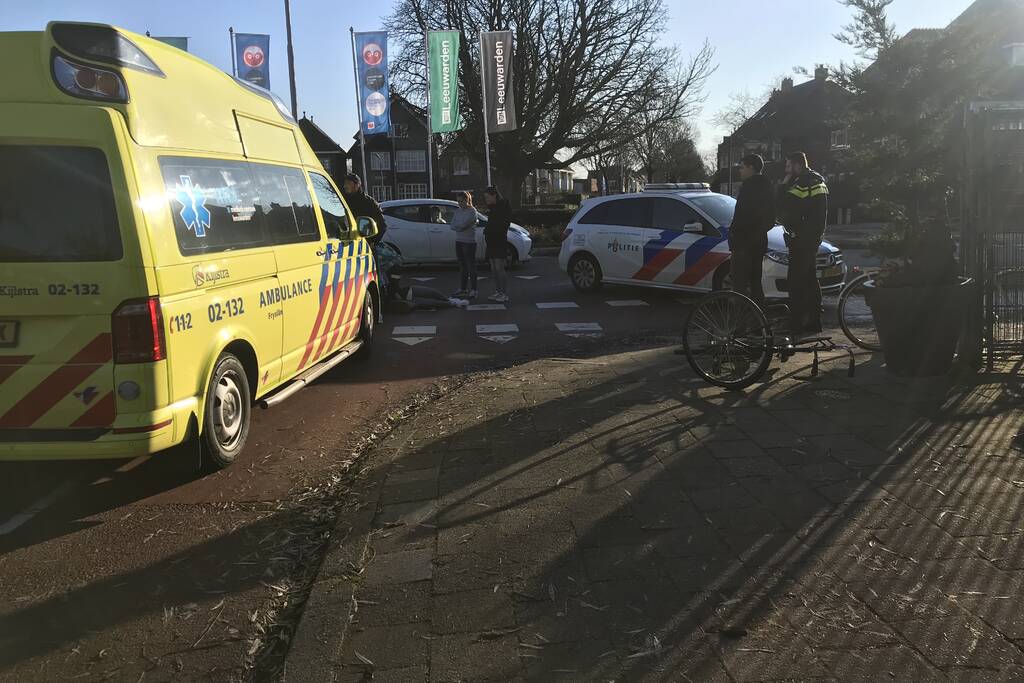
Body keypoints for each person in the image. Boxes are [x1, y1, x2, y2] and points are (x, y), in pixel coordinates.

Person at [777, 152, 829, 334]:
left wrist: (784, 184)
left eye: (788, 166)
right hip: (812, 238)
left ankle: (796, 323)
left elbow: (784, 204)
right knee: (810, 280)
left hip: (801, 239)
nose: (786, 170)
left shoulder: (803, 183)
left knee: (796, 282)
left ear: (798, 165)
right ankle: (814, 321)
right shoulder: (817, 181)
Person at [729, 154, 775, 309]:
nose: (739, 171)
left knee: (739, 288)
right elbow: (769, 219)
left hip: (743, 245)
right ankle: (758, 325)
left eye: (742, 167)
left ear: (751, 168)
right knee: (756, 285)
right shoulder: (767, 186)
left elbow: (742, 217)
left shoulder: (749, 188)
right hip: (759, 244)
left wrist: (738, 236)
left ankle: (740, 327)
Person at [482, 186, 511, 303]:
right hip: (491, 241)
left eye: (487, 197)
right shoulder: (492, 208)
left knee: (499, 268)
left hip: (499, 240)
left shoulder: (503, 207)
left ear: (494, 195)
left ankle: (504, 293)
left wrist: (493, 230)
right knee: (493, 269)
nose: (486, 200)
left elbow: (504, 224)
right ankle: (498, 291)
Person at [342, 173, 387, 245]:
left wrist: (372, 242)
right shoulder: (341, 200)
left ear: (357, 185)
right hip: (345, 242)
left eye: (348, 183)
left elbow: (382, 225)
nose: (345, 186)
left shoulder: (369, 202)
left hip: (363, 244)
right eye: (345, 183)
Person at [450, 191, 479, 299]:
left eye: (461, 201)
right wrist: (459, 226)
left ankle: (474, 290)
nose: (459, 204)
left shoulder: (472, 211)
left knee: (471, 266)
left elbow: (463, 225)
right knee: (462, 266)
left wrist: (459, 226)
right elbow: (452, 225)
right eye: (458, 201)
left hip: (469, 242)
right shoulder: (458, 211)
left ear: (467, 200)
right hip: (459, 240)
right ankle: (463, 288)